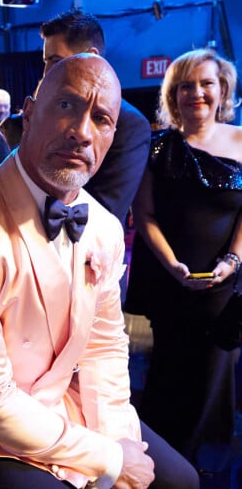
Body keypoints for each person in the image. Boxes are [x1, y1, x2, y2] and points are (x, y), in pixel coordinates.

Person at [0, 54, 199, 488]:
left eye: (100, 118)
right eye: (66, 105)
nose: (82, 131)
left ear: (112, 134)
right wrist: (110, 459)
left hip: (59, 399)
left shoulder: (103, 227)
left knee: (183, 481)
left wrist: (118, 438)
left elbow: (104, 347)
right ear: (29, 112)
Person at [125, 48, 242, 475]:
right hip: (170, 284)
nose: (198, 93)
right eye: (186, 85)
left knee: (214, 383)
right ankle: (166, 470)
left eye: (206, 83)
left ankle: (208, 470)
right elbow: (146, 215)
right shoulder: (157, 146)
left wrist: (232, 260)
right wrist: (172, 264)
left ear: (222, 89)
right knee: (168, 379)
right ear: (173, 95)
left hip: (223, 287)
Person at [41, 10, 151, 227]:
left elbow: (107, 207)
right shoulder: (48, 113)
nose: (46, 72)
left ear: (92, 56)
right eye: (46, 62)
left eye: (55, 61)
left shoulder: (130, 124)